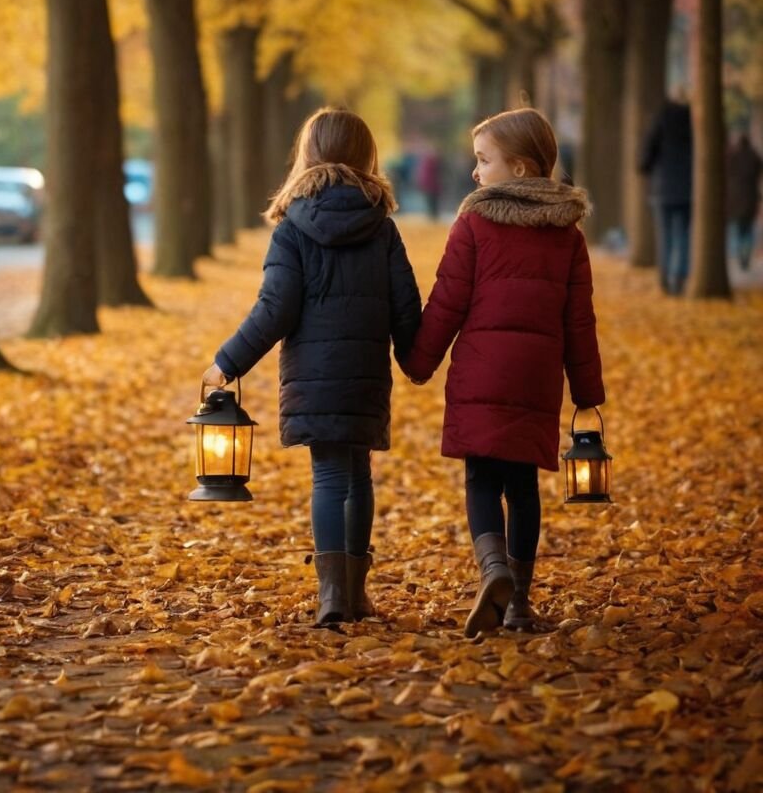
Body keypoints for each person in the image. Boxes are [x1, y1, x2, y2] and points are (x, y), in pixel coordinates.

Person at [201, 107, 421, 626]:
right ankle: (356, 591)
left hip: (314, 375)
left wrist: (227, 362)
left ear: (309, 153)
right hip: (365, 372)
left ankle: (331, 596)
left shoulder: (293, 226)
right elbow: (405, 304)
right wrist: (415, 360)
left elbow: (275, 308)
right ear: (367, 155)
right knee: (358, 474)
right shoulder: (381, 226)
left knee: (327, 477)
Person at [403, 108, 605, 637]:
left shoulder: (474, 222)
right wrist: (587, 392)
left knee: (481, 478)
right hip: (536, 379)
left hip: (481, 375)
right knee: (523, 487)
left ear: (519, 168)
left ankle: (492, 570)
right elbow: (578, 322)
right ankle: (519, 602)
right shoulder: (569, 236)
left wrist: (419, 361)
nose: (475, 171)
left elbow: (448, 302)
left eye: (483, 160)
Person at [638, 95, 693, 295]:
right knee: (684, 235)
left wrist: (647, 168)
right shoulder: (692, 121)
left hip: (663, 188)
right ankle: (680, 276)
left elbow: (645, 157)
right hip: (688, 187)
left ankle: (664, 278)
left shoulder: (661, 119)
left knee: (666, 235)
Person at [727, 132, 762, 272]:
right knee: (748, 230)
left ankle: (738, 255)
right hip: (751, 199)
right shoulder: (754, 157)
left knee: (737, 229)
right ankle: (746, 255)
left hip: (733, 200)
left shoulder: (731, 157)